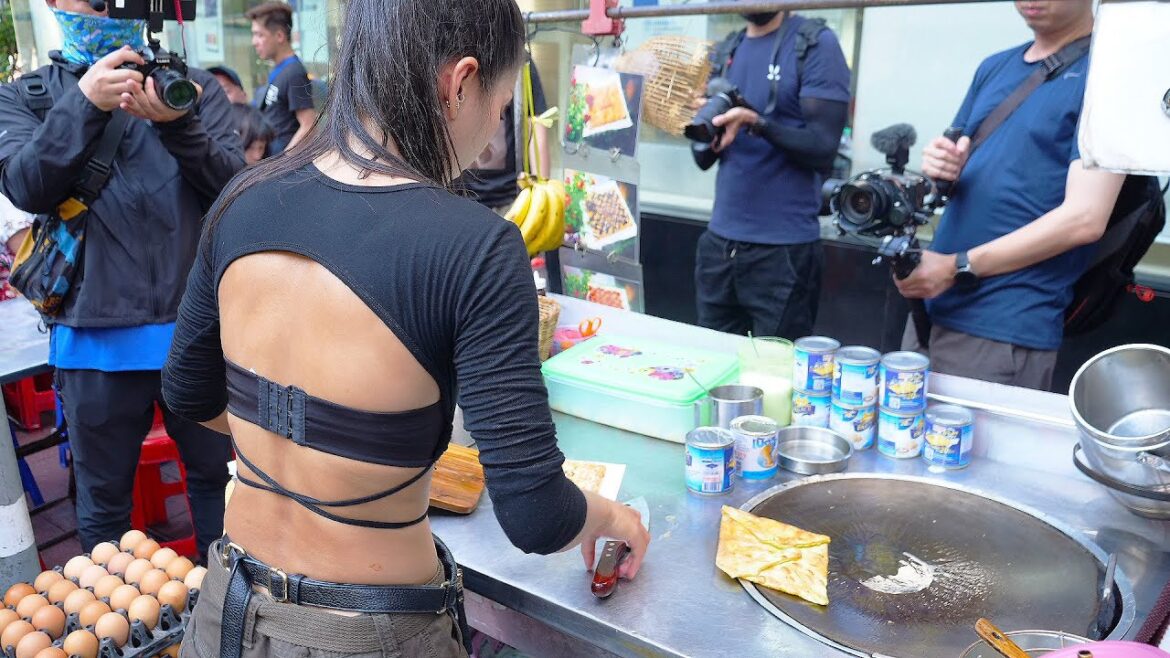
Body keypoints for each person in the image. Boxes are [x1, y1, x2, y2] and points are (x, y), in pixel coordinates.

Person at [160, 1, 650, 656]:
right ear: (461, 82)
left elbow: (190, 395)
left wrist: (298, 451)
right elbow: (536, 515)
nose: (492, 131)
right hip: (369, 636)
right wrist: (615, 517)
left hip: (226, 616)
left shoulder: (244, 198)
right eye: (500, 106)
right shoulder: (473, 249)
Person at [0, 0, 243, 553]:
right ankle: (119, 634)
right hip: (93, 347)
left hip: (199, 336)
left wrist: (182, 127)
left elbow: (236, 193)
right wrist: (84, 104)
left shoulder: (193, 88)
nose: (109, 7)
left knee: (218, 486)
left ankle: (225, 619)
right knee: (103, 508)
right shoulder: (28, 96)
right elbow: (25, 186)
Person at [896, 0, 1124, 391]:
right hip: (930, 307)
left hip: (1006, 323)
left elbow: (1086, 218)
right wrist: (940, 168)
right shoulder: (995, 67)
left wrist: (956, 266)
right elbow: (958, 169)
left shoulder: (1111, 74)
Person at [691, 8, 851, 340]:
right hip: (718, 246)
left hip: (784, 253)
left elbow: (823, 148)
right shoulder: (727, 49)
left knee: (776, 375)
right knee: (715, 366)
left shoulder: (814, 43)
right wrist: (704, 124)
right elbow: (702, 160)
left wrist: (756, 123)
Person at [460, 60, 550, 215]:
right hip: (460, 196)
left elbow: (536, 127)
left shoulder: (520, 60)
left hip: (513, 195)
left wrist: (542, 194)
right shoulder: (453, 57)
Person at [245, 1, 315, 154]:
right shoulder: (280, 69)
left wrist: (282, 163)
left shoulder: (294, 72)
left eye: (259, 35)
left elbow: (308, 125)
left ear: (279, 36)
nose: (254, 42)